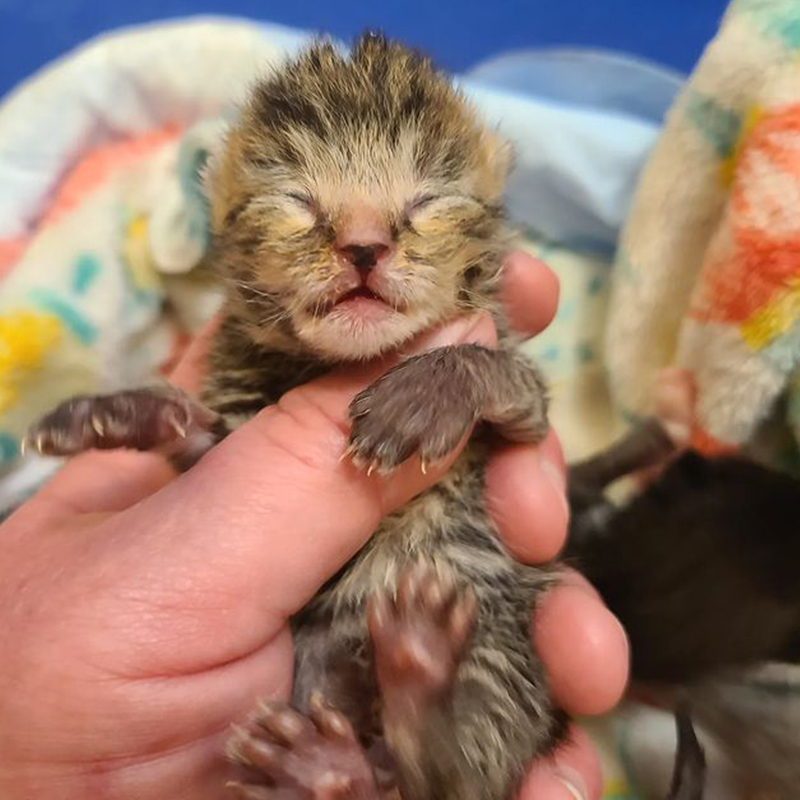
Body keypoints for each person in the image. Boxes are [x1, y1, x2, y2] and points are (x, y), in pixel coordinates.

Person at [0, 252, 628, 800]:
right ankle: (396, 739)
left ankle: (415, 733)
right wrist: (172, 425)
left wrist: (464, 372)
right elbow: (232, 501)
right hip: (309, 676)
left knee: (501, 671)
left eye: (420, 213)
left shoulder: (472, 311)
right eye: (301, 213)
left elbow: (524, 400)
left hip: (425, 654)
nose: (362, 248)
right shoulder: (258, 345)